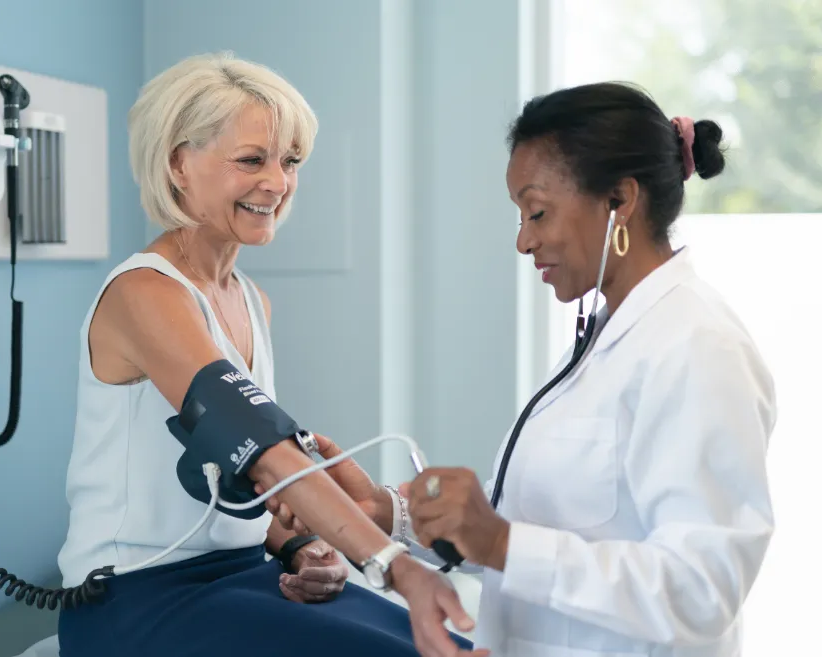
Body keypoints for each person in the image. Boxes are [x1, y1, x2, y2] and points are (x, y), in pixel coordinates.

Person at [264, 81, 777, 657]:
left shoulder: (697, 348)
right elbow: (546, 520)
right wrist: (397, 514)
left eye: (537, 212)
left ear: (620, 200)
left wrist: (503, 544)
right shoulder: (608, 336)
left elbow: (704, 589)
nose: (523, 241)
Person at [54, 52, 478, 657]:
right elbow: (265, 453)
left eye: (290, 162)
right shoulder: (144, 294)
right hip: (136, 603)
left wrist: (298, 546)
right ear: (178, 163)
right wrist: (395, 566)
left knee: (455, 649)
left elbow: (231, 490)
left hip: (242, 572)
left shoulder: (251, 300)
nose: (277, 183)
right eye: (251, 160)